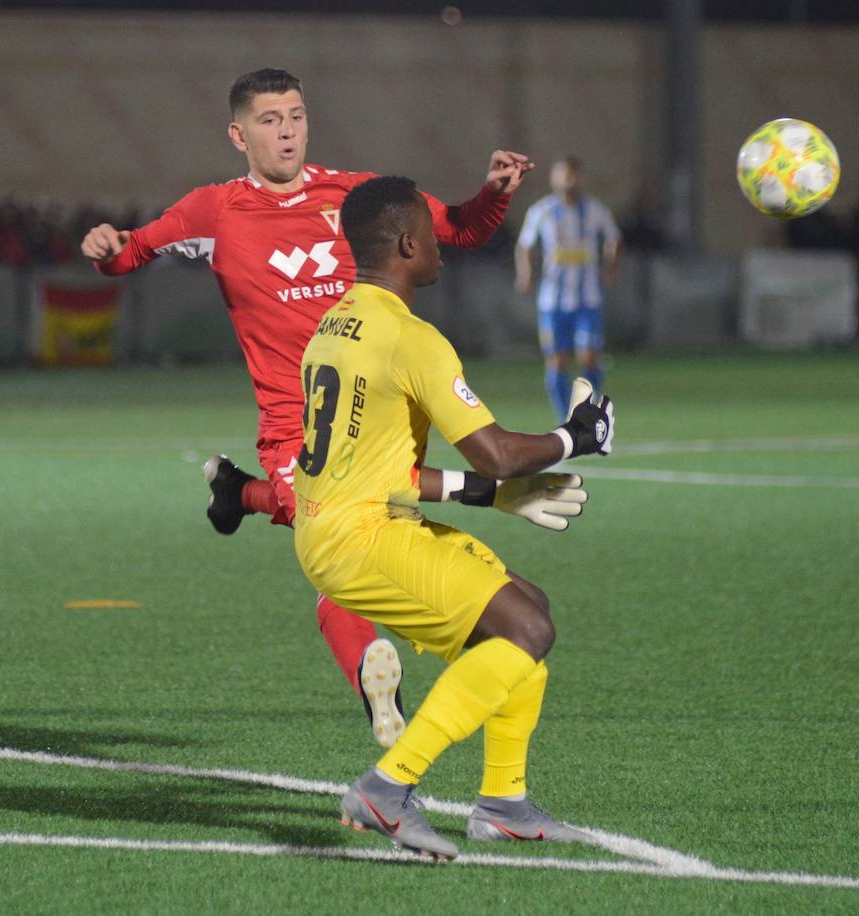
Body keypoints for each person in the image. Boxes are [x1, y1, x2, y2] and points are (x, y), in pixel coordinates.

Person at [80, 68, 533, 748]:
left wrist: (492, 194)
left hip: (378, 418)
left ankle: (239, 495)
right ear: (239, 134)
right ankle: (373, 683)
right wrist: (107, 251)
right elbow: (134, 252)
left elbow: (458, 231)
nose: (287, 129)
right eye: (269, 119)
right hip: (297, 426)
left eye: (295, 115)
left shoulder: (351, 195)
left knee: (351, 537)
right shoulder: (215, 210)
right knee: (337, 546)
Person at [296, 176, 613, 860]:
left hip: (343, 524)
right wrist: (576, 437)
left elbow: (388, 471)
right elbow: (496, 451)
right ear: (408, 244)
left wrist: (496, 499)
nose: (442, 245)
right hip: (363, 537)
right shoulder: (412, 339)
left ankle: (503, 803)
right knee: (525, 630)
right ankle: (387, 787)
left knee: (527, 606)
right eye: (433, 235)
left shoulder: (335, 322)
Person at [515, 156, 621, 421]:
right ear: (554, 179)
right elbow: (525, 244)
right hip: (552, 302)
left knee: (588, 357)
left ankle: (586, 410)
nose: (569, 181)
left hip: (587, 300)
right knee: (557, 360)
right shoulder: (542, 211)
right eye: (564, 175)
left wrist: (610, 267)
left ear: (580, 178)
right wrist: (526, 272)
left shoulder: (595, 210)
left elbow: (614, 239)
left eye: (573, 175)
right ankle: (567, 419)